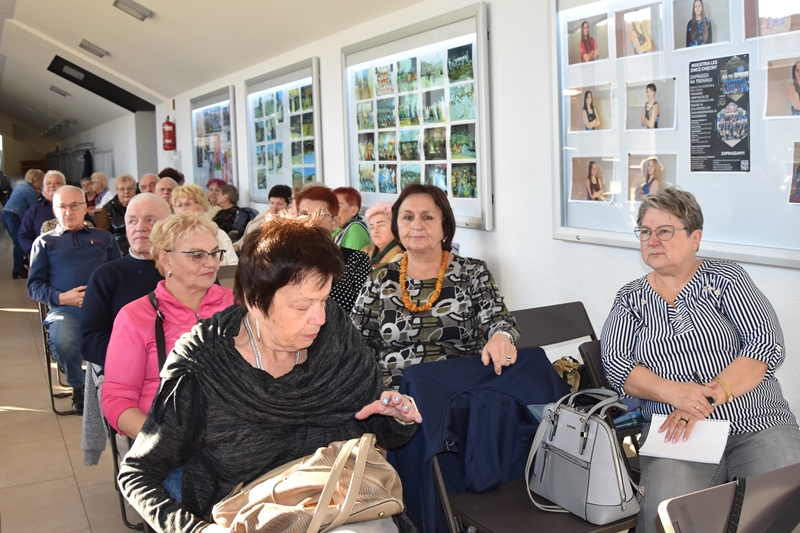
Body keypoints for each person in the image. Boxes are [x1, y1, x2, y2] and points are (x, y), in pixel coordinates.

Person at [118, 213, 421, 533]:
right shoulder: (203, 365)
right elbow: (138, 474)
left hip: (346, 507)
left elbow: (377, 427)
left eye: (323, 300)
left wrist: (396, 420)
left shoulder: (336, 335)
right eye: (302, 306)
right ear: (255, 301)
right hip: (256, 519)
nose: (319, 318)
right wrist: (195, 530)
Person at [600, 188, 800, 533]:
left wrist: (707, 397)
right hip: (675, 429)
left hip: (757, 419)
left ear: (695, 238)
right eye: (645, 231)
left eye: (665, 231)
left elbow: (766, 344)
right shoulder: (631, 298)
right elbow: (617, 365)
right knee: (666, 517)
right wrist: (676, 394)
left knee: (784, 505)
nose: (652, 240)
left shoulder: (726, 279)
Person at [351, 184, 519, 389]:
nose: (417, 225)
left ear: (445, 227)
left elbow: (499, 321)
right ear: (397, 226)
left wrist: (501, 339)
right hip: (395, 393)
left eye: (428, 217)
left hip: (459, 390)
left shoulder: (472, 272)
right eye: (407, 217)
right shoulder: (380, 278)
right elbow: (354, 340)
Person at [103, 212, 234, 439]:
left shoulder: (238, 306)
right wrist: (161, 440)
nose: (212, 263)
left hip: (236, 435)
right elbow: (117, 399)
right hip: (168, 437)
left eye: (215, 253)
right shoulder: (136, 316)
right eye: (197, 255)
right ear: (166, 259)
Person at [28, 185, 122, 413]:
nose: (68, 211)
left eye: (74, 205)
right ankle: (79, 385)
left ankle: (113, 385)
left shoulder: (104, 238)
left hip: (103, 307)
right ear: (54, 210)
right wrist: (62, 297)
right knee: (63, 340)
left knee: (124, 336)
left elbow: (119, 275)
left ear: (85, 208)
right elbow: (34, 287)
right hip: (64, 309)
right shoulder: (44, 242)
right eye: (62, 207)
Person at [80, 193, 172, 370]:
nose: (140, 227)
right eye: (132, 221)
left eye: (150, 220)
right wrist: (137, 359)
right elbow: (89, 339)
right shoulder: (106, 275)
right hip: (126, 367)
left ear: (169, 226)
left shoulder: (188, 269)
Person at [295, 186, 371, 312]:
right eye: (304, 214)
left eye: (319, 215)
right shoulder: (283, 258)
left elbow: (363, 312)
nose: (310, 221)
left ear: (335, 222)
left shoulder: (357, 261)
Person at [171, 184, 238, 266]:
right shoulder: (170, 237)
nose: (183, 208)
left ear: (202, 208)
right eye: (179, 205)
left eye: (188, 204)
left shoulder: (219, 235)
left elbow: (234, 265)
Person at [1, 169, 43, 278]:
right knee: (19, 242)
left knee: (18, 241)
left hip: (6, 214)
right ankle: (18, 268)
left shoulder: (20, 186)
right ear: (35, 180)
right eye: (41, 181)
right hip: (13, 215)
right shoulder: (30, 190)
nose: (41, 184)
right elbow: (34, 208)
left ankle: (20, 262)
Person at [18, 170, 66, 255]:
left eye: (57, 183)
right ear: (43, 188)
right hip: (43, 256)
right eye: (48, 183)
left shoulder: (76, 207)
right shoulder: (34, 211)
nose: (52, 185)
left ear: (65, 187)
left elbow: (88, 229)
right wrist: (36, 253)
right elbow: (23, 236)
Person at [232, 184, 292, 251]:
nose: (275, 207)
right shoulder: (264, 213)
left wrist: (270, 220)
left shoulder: (288, 223)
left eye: (280, 204)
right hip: (243, 249)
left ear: (289, 205)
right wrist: (237, 245)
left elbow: (264, 242)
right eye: (272, 203)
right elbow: (246, 236)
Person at [94, 173, 137, 255]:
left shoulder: (142, 205)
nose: (126, 191)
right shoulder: (108, 209)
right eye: (122, 189)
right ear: (117, 190)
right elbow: (100, 235)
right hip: (118, 250)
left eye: (130, 188)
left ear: (135, 189)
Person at [361, 201, 404, 268]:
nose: (375, 231)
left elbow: (389, 270)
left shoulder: (402, 252)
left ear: (395, 226)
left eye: (380, 225)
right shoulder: (366, 249)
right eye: (372, 227)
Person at [333, 187, 371, 251]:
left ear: (354, 211)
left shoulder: (356, 229)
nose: (333, 211)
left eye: (339, 207)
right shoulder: (338, 227)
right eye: (332, 206)